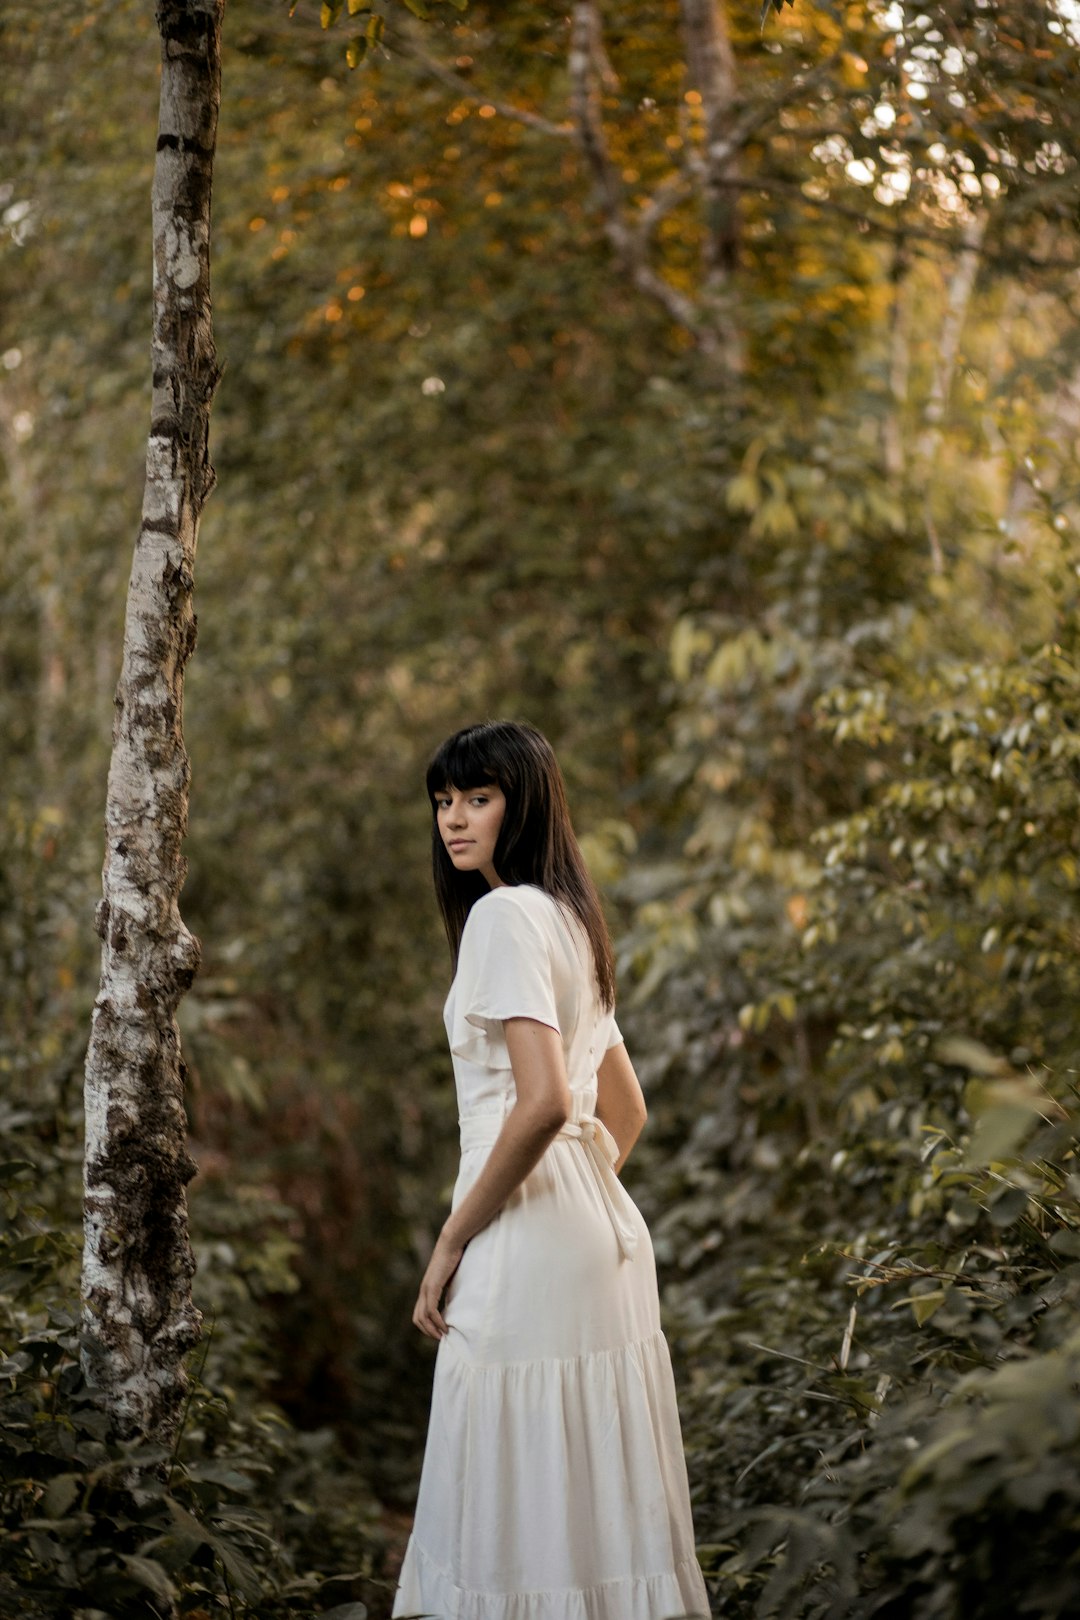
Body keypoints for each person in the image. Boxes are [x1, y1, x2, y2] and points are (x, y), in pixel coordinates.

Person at [392, 720, 710, 1620]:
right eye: (444, 801)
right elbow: (626, 1113)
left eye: (478, 799)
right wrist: (579, 1187)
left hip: (524, 1234)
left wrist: (453, 1238)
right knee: (592, 1487)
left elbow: (537, 1105)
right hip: (602, 1234)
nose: (454, 820)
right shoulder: (573, 922)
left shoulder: (500, 918)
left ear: (522, 804)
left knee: (509, 1479)